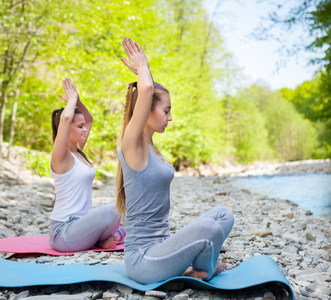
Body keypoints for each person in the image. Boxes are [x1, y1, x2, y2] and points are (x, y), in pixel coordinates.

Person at [116, 37, 234, 284]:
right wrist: (143, 67)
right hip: (143, 260)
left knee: (223, 216)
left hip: (163, 249)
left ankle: (192, 267)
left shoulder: (154, 150)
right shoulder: (132, 145)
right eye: (166, 110)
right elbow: (146, 89)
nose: (170, 117)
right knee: (210, 230)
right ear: (147, 110)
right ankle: (201, 271)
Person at [49, 77, 125, 252]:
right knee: (113, 211)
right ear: (66, 128)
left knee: (131, 212)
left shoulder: (77, 151)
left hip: (81, 226)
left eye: (84, 127)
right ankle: (103, 239)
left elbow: (89, 118)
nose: (85, 129)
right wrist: (72, 100)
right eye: (80, 126)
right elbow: (67, 118)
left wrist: (79, 102)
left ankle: (101, 240)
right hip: (63, 232)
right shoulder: (61, 156)